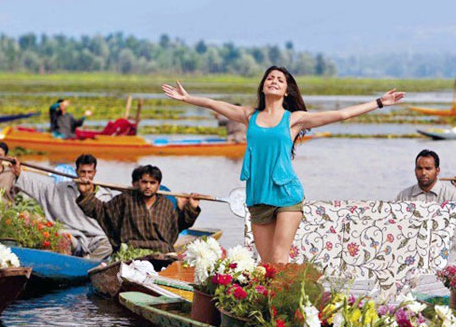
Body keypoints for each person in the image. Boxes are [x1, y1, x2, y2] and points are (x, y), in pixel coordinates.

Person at [162, 66, 404, 263]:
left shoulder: (294, 119)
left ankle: (284, 316)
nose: (274, 81)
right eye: (270, 78)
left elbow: (341, 115)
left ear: (287, 91)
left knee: (279, 258)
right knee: (267, 265)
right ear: (263, 86)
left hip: (287, 194)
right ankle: (274, 314)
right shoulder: (250, 116)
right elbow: (216, 105)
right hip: (257, 196)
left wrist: (379, 102)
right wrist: (187, 98)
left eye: (280, 79)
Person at [11, 154, 114, 260]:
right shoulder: (63, 189)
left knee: (109, 244)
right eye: (82, 172)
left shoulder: (104, 195)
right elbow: (40, 188)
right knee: (60, 236)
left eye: (89, 172)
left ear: (95, 173)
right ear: (76, 171)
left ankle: (87, 260)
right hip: (73, 236)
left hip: (95, 239)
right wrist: (19, 174)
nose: (86, 176)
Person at [76, 165, 200, 252]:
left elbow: (180, 225)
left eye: (152, 183)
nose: (148, 186)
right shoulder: (125, 199)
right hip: (131, 252)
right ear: (138, 182)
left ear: (158, 185)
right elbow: (100, 211)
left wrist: (192, 208)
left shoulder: (166, 204)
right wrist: (86, 194)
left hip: (161, 253)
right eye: (144, 182)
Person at [395, 149, 456, 262]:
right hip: (412, 258)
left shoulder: (452, 196)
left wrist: (432, 251)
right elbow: (397, 229)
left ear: (437, 170)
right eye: (420, 168)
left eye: (428, 169)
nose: (423, 173)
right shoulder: (404, 196)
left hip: (446, 259)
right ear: (415, 170)